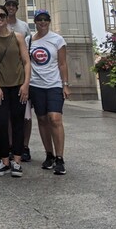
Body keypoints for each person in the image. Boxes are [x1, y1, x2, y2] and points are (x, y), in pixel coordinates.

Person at [0, 5, 30, 178]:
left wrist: (26, 84)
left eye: (2, 15)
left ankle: (16, 160)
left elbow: (26, 62)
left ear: (7, 17)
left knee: (18, 123)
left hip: (18, 86)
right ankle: (4, 160)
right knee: (1, 123)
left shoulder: (18, 37)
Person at [28, 9, 69, 175]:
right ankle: (49, 154)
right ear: (35, 22)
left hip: (54, 84)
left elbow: (62, 64)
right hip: (35, 85)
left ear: (49, 21)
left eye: (45, 19)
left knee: (55, 118)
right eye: (39, 19)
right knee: (42, 119)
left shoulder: (57, 39)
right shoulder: (29, 40)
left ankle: (60, 158)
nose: (42, 22)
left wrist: (65, 84)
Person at [3, 0, 32, 162]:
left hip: (21, 75)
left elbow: (28, 52)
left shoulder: (24, 26)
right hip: (5, 75)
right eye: (8, 5)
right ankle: (9, 146)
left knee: (25, 115)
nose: (11, 7)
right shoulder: (0, 25)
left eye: (13, 5)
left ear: (17, 7)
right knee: (7, 114)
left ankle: (24, 146)